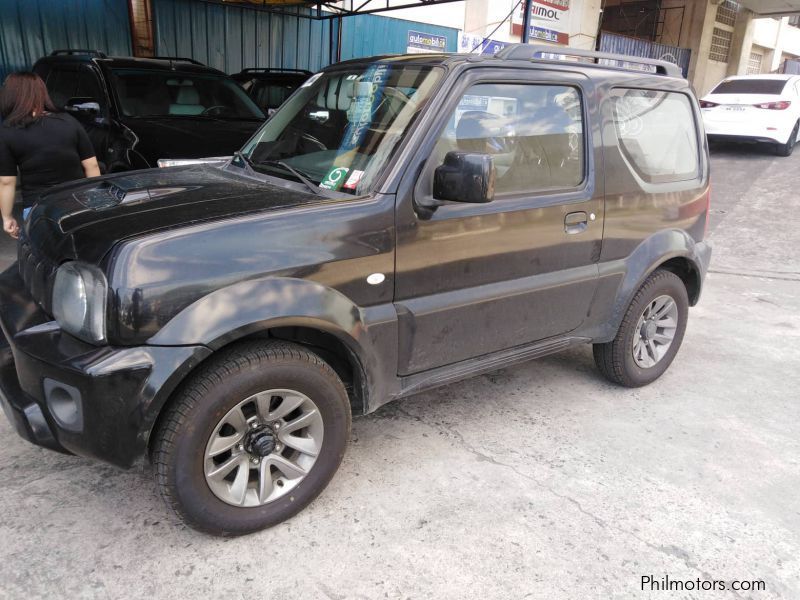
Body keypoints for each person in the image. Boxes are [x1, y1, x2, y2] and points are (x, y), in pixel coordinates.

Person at [0, 72, 100, 239]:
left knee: (43, 258)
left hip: (38, 209)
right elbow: (92, 166)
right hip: (77, 203)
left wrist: (7, 217)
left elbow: (6, 181)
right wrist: (95, 202)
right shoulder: (69, 121)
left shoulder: (7, 132)